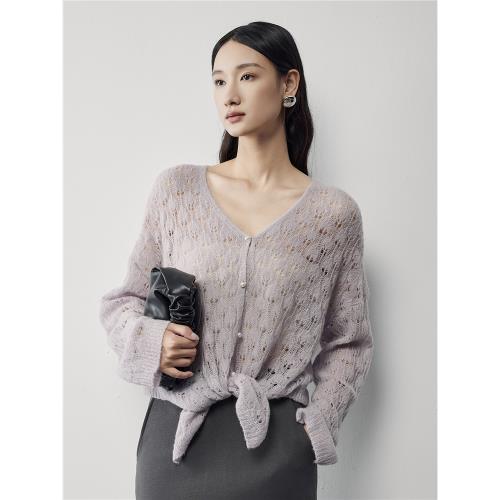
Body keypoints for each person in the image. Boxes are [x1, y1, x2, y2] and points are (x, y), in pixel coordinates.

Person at [99, 21, 374, 500]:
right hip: (176, 442)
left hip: (276, 449)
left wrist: (318, 423)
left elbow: (348, 342)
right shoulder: (177, 191)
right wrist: (152, 343)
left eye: (247, 76)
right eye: (219, 80)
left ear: (288, 84)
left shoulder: (333, 216)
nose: (230, 95)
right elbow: (123, 302)